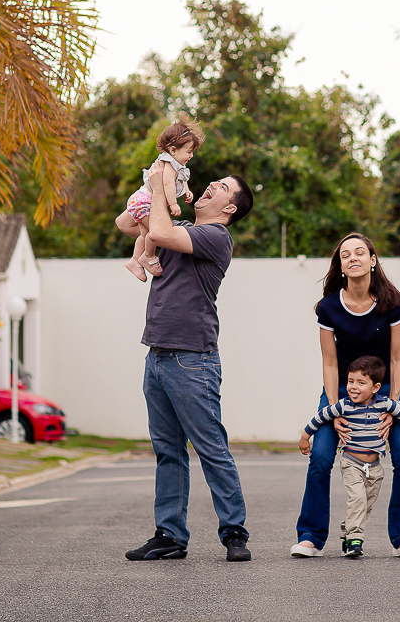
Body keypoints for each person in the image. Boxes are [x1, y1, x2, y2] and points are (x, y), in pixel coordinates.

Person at [124, 168, 255, 563]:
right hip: (158, 355)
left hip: (192, 359)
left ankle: (234, 532)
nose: (212, 185)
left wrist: (164, 187)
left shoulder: (216, 237)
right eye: (214, 182)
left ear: (229, 207)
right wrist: (159, 180)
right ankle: (169, 536)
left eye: (222, 188)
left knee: (210, 447)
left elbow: (160, 234)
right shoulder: (179, 227)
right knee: (168, 451)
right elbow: (126, 221)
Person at [291, 232, 400, 559]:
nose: (353, 257)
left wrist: (392, 405)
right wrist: (334, 409)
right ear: (341, 265)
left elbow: (398, 358)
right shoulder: (329, 307)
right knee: (320, 457)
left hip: (385, 391)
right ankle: (310, 536)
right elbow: (330, 361)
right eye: (345, 254)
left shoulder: (392, 302)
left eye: (360, 252)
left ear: (372, 260)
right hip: (340, 390)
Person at [298, 355, 400, 558]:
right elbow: (320, 417)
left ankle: (348, 532)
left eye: (361, 383)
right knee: (357, 500)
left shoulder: (386, 404)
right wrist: (304, 437)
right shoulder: (343, 406)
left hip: (375, 469)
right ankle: (355, 540)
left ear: (375, 387)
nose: (353, 387)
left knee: (364, 505)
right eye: (351, 381)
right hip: (351, 463)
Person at [115, 117, 205, 282]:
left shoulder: (177, 164)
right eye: (188, 151)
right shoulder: (168, 164)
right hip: (144, 201)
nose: (191, 156)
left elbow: (180, 180)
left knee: (145, 234)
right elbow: (168, 183)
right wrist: (173, 204)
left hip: (139, 200)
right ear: (172, 150)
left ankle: (135, 260)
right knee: (156, 233)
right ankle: (148, 257)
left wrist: (187, 190)